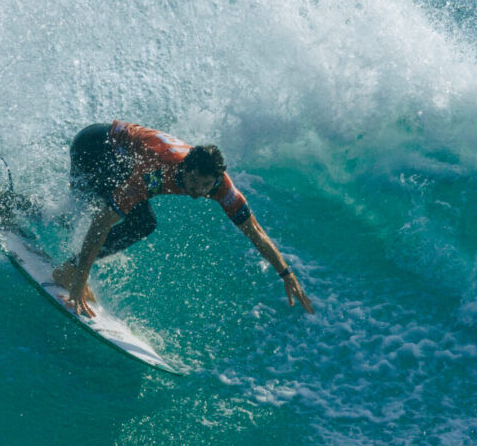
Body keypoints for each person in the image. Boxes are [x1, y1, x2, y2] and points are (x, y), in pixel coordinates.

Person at [51, 121, 314, 318]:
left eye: (206, 185)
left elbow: (255, 231)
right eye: (194, 182)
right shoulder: (158, 171)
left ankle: (56, 249)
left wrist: (285, 273)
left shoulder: (219, 186)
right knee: (87, 214)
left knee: (140, 222)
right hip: (94, 148)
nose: (199, 192)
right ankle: (68, 271)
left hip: (121, 159)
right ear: (184, 169)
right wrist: (81, 277)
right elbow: (101, 222)